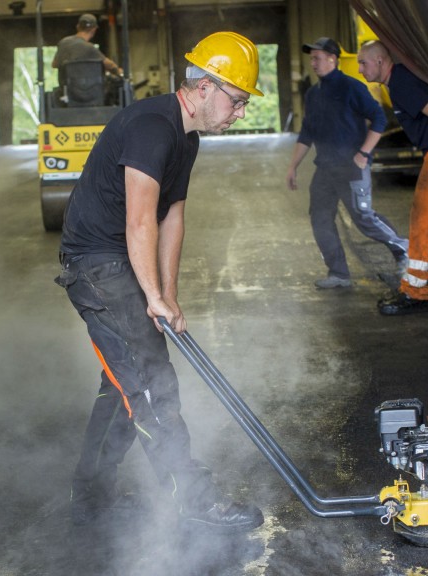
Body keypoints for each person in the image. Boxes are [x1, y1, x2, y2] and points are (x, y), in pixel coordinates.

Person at [54, 31, 265, 533]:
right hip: (96, 262)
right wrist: (150, 295)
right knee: (151, 380)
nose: (239, 113)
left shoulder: (185, 139)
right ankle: (194, 500)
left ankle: (90, 491)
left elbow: (173, 219)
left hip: (118, 258)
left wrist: (167, 295)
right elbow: (140, 221)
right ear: (204, 86)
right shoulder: (153, 125)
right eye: (236, 101)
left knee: (124, 379)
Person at [357, 40, 428, 315]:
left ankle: (416, 294)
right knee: (426, 220)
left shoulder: (401, 82)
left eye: (363, 62)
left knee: (425, 223)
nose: (360, 69)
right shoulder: (399, 82)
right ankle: (417, 285)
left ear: (381, 62)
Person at [286, 37, 408, 289]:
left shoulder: (351, 87)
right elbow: (307, 133)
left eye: (317, 58)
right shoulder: (313, 95)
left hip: (352, 168)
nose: (313, 63)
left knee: (363, 218)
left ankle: (404, 250)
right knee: (320, 219)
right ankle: (339, 274)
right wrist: (293, 166)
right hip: (325, 169)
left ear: (333, 58)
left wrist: (364, 153)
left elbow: (379, 119)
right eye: (312, 59)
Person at [52, 13, 122, 84]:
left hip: (65, 90)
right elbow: (109, 64)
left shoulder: (63, 42)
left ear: (78, 27)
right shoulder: (89, 48)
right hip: (86, 91)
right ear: (94, 30)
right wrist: (118, 71)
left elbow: (54, 64)